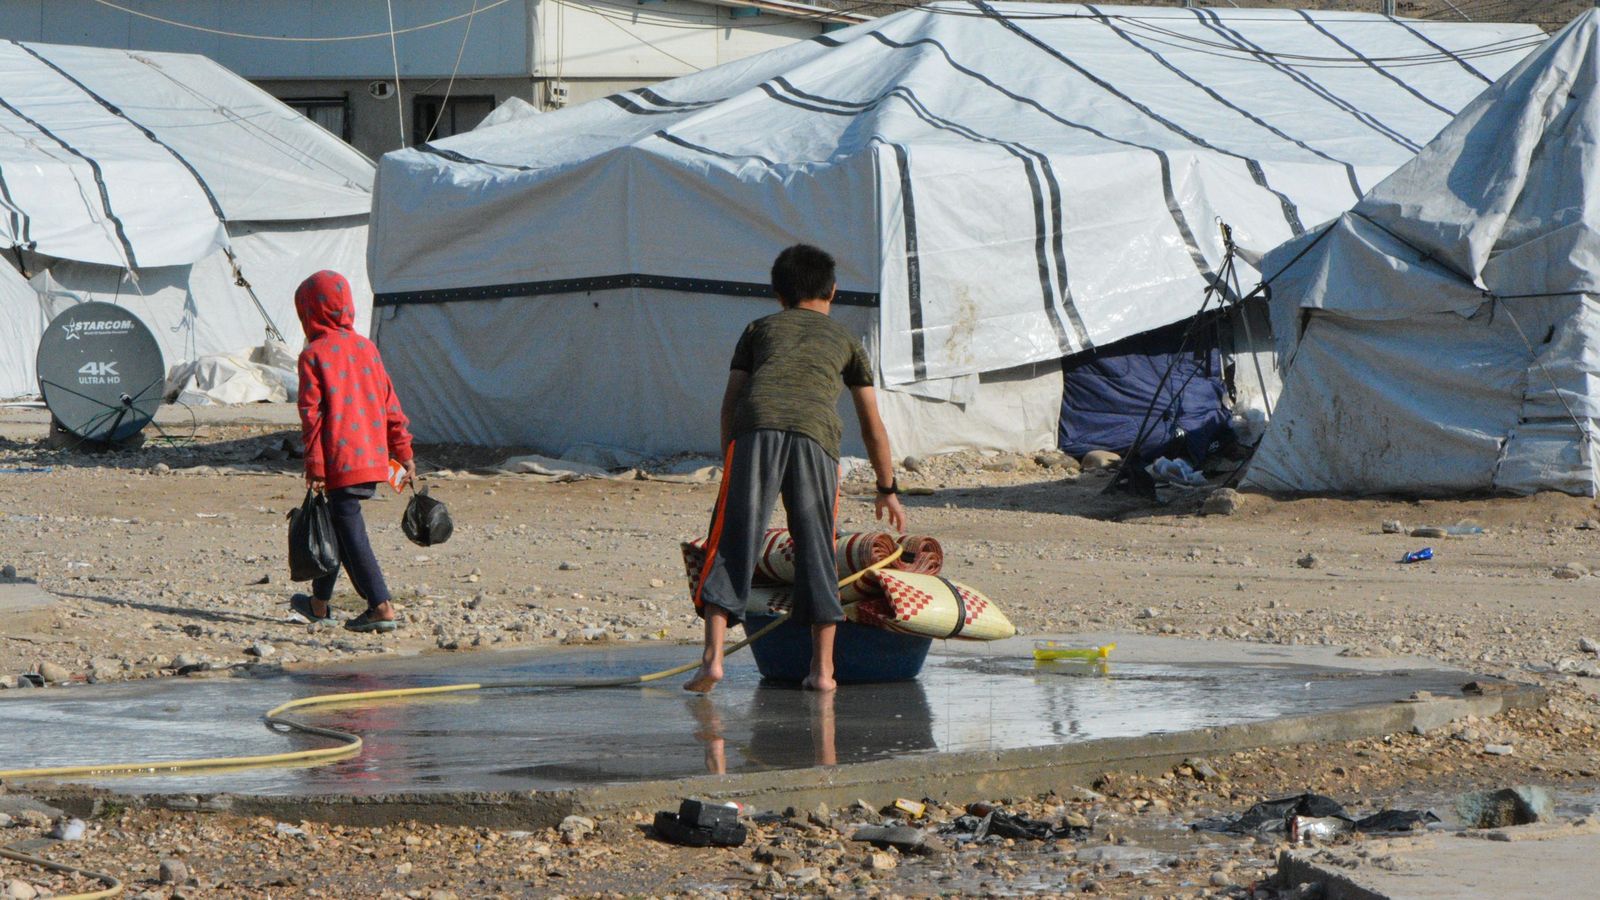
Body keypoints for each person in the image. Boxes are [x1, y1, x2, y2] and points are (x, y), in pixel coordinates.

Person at [686, 244, 907, 694]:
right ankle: (822, 671)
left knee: (734, 539)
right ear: (833, 291)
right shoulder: (846, 341)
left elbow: (731, 403)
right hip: (816, 436)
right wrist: (887, 487)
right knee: (816, 545)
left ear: (778, 294)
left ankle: (713, 660)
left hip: (755, 429)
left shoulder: (758, 329)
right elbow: (871, 423)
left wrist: (734, 460)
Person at [289, 270, 415, 634]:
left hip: (339, 460)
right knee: (338, 523)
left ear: (309, 311)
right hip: (373, 458)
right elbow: (391, 405)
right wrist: (404, 451)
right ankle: (319, 605)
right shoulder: (367, 348)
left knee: (350, 531)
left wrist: (315, 465)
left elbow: (312, 417)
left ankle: (381, 606)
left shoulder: (313, 355)